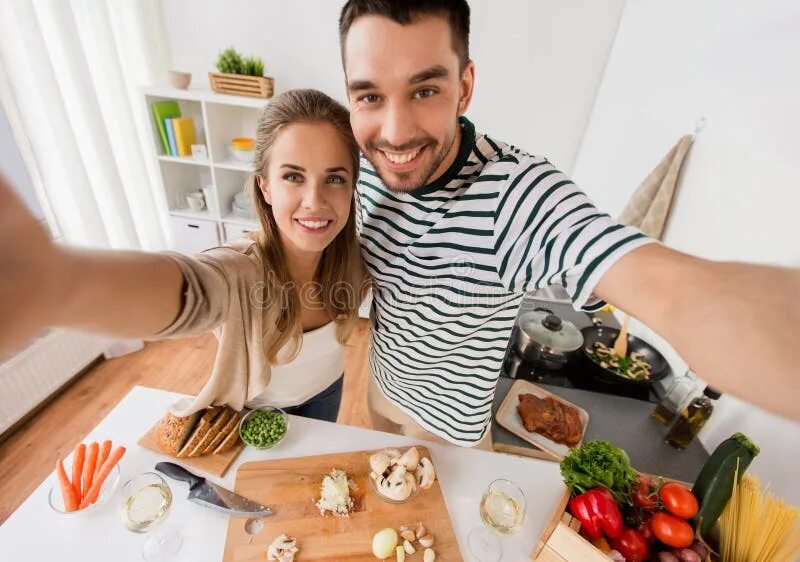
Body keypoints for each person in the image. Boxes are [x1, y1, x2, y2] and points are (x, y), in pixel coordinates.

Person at [337, 0, 800, 446]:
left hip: (446, 432)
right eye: (371, 96)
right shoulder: (364, 168)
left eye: (424, 90)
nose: (394, 132)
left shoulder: (516, 196)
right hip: (379, 390)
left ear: (464, 86)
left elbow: (674, 293)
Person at [0, 88, 369, 422]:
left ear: (352, 186)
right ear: (265, 186)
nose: (315, 201)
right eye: (293, 176)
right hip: (255, 413)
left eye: (334, 178)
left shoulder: (356, 261)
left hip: (328, 391)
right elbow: (190, 288)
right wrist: (59, 284)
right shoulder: (241, 271)